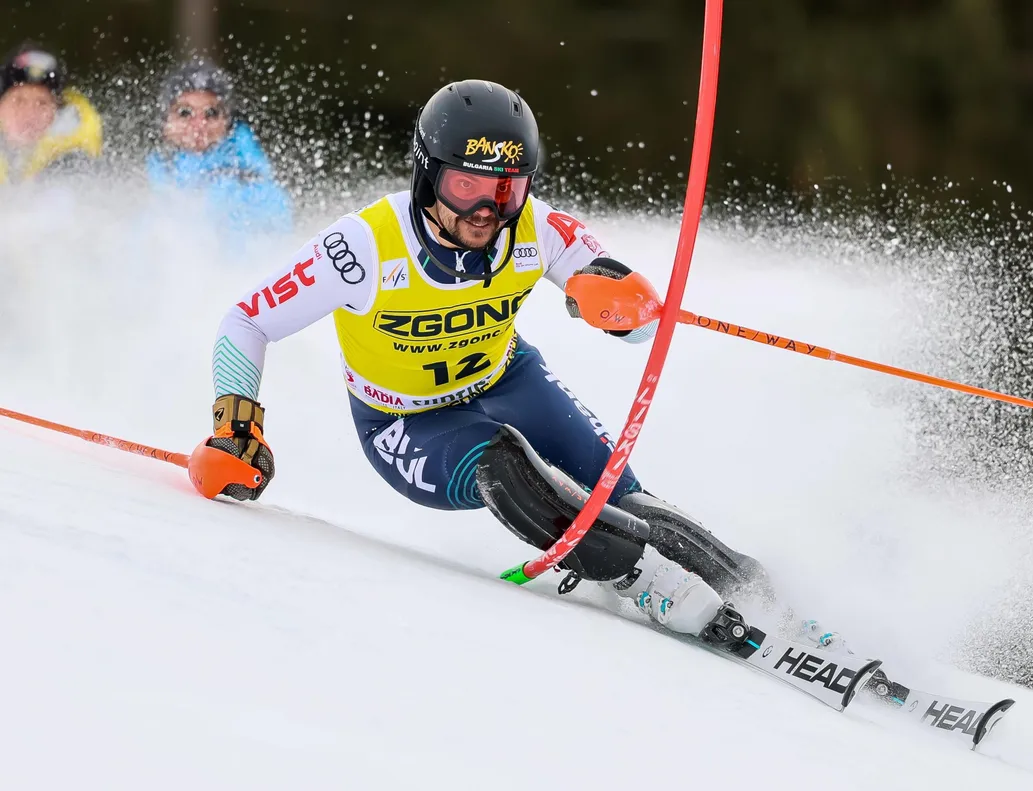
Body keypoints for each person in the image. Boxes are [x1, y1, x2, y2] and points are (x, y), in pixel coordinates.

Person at [196, 79, 835, 650]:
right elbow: (246, 321)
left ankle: (764, 599)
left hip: (508, 379)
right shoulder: (362, 246)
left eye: (506, 187)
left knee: (623, 494)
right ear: (427, 175)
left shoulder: (536, 227)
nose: (486, 209)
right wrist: (236, 426)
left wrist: (621, 303)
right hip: (405, 423)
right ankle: (638, 576)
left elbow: (630, 314)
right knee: (503, 462)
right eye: (465, 185)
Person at [146, 58, 291, 234]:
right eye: (184, 113)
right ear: (165, 122)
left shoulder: (247, 177)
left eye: (211, 113)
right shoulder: (148, 174)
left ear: (227, 122)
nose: (199, 125)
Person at [0, 44, 102, 183]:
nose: (30, 114)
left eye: (42, 103)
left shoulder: (72, 159)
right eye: (19, 101)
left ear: (57, 111)